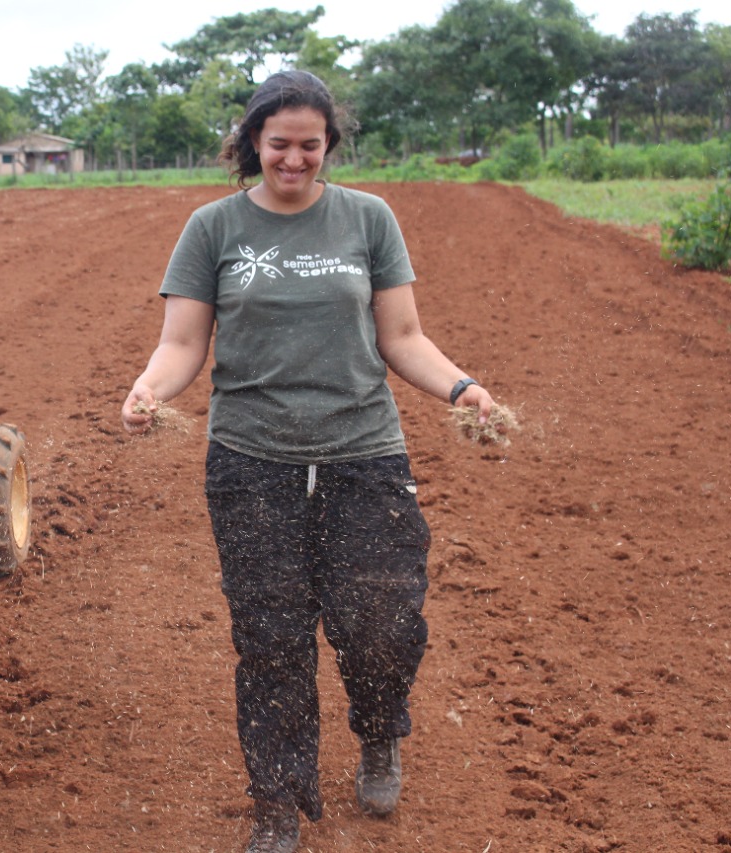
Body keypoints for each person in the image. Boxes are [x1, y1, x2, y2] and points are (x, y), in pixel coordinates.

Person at [120, 71, 496, 853]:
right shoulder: (213, 228)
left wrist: (458, 387)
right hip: (252, 461)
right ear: (253, 141)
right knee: (271, 638)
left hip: (365, 453)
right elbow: (183, 342)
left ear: (329, 145)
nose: (294, 160)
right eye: (279, 144)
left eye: (310, 146)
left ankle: (379, 728)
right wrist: (150, 390)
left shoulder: (367, 218)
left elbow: (402, 336)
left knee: (382, 623)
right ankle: (276, 804)